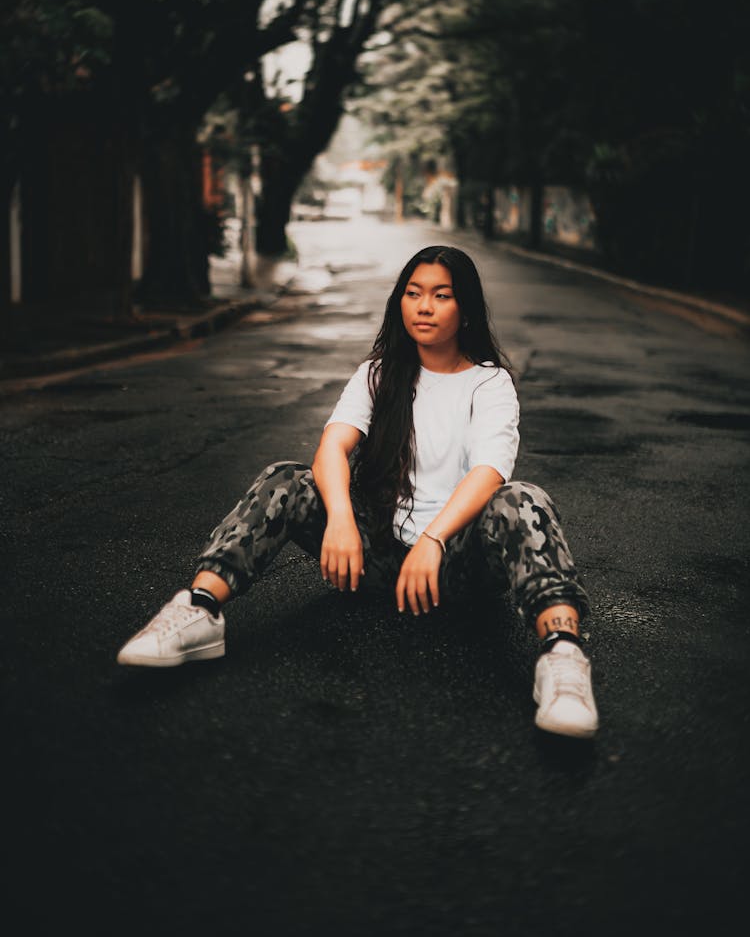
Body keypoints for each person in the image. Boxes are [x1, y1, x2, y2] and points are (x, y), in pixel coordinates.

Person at [117, 246, 599, 739]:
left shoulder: (489, 384)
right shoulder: (379, 372)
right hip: (378, 559)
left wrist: (433, 541)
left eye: (441, 295)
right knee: (287, 477)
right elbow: (332, 448)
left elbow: (489, 472)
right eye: (413, 294)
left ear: (466, 309)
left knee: (524, 499)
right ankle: (200, 608)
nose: (424, 306)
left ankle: (561, 657)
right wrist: (343, 520)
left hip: (456, 566)